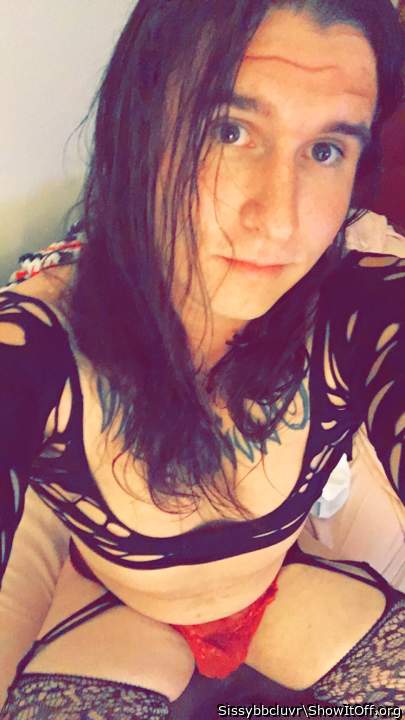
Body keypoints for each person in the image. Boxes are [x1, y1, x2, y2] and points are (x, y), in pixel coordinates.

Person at [0, 0, 404, 716]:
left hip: (287, 591)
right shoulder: (39, 344)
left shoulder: (356, 309)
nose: (279, 220)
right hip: (117, 617)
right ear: (138, 129)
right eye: (229, 130)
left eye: (325, 149)